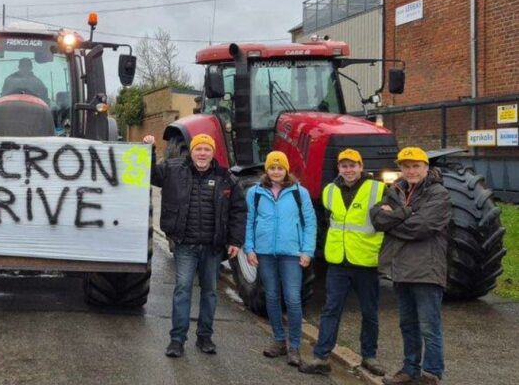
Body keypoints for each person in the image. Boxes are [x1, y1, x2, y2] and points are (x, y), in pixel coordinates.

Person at [143, 133, 246, 358]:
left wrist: (236, 241)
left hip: (213, 247)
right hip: (185, 245)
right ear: (191, 151)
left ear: (212, 153)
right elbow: (149, 174)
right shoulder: (173, 169)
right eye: (198, 149)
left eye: (206, 150)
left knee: (209, 292)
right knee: (182, 291)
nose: (202, 153)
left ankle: (205, 337)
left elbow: (239, 210)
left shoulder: (225, 177)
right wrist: (150, 150)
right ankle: (177, 340)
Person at [300, 149, 386, 376]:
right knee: (331, 309)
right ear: (338, 168)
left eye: (353, 165)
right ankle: (321, 357)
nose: (348, 170)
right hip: (338, 261)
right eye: (344, 166)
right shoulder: (329, 191)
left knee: (369, 311)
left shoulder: (378, 189)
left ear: (361, 166)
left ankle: (369, 356)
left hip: (365, 261)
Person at [371, 147, 450, 385]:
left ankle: (431, 373)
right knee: (407, 324)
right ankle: (410, 369)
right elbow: (376, 218)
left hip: (426, 270)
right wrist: (406, 213)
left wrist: (393, 220)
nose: (411, 170)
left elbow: (422, 226)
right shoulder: (395, 190)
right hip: (400, 270)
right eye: (406, 166)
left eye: (416, 166)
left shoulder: (439, 194)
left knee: (429, 326)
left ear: (426, 167)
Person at [244, 151, 316, 367]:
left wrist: (307, 251)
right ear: (267, 170)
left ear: (286, 170)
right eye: (272, 168)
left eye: (280, 168)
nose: (276, 172)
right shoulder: (255, 193)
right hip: (265, 253)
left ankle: (294, 345)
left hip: (291, 254)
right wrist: (249, 248)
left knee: (293, 299)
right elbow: (249, 221)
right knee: (272, 297)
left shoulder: (299, 193)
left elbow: (310, 223)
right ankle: (278, 340)